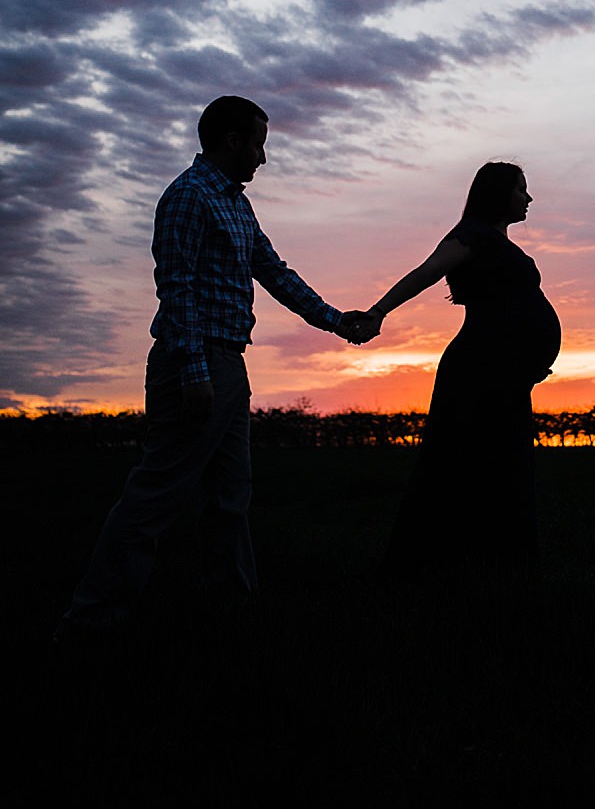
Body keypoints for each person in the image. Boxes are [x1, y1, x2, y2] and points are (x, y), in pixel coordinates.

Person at [57, 95, 377, 636]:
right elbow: (176, 288)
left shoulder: (236, 204)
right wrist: (195, 371)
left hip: (229, 362)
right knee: (155, 494)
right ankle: (91, 622)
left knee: (229, 496)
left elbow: (274, 272)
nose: (262, 158)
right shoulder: (188, 197)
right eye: (257, 144)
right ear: (231, 140)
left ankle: (231, 608)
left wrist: (336, 320)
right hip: (197, 361)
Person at [360, 162, 561, 572]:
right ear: (498, 193)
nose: (529, 198)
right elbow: (429, 271)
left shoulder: (498, 243)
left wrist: (531, 358)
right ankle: (442, 568)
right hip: (478, 369)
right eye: (521, 189)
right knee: (465, 465)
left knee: (505, 466)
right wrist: (378, 311)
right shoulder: (472, 235)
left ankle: (498, 567)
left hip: (504, 372)